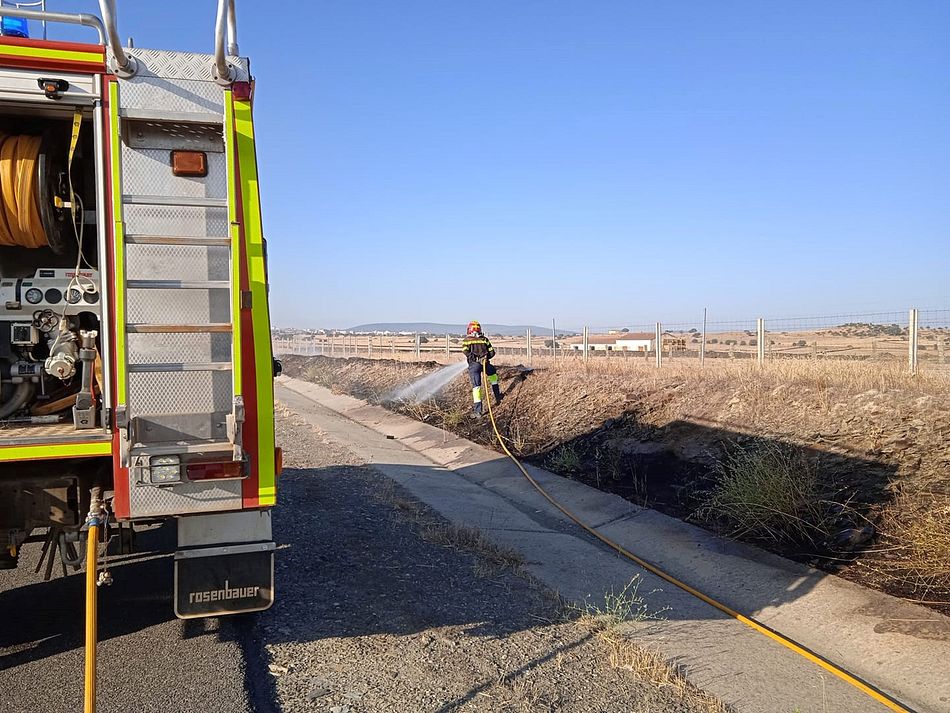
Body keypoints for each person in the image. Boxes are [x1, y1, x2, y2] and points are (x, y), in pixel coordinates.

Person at [462, 320, 502, 417]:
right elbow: (492, 352)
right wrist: (485, 358)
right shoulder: (485, 339)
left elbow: (465, 352)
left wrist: (475, 359)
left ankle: (478, 411)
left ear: (469, 330)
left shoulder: (467, 340)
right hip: (486, 363)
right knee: (493, 375)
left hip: (474, 365)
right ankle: (498, 396)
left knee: (477, 387)